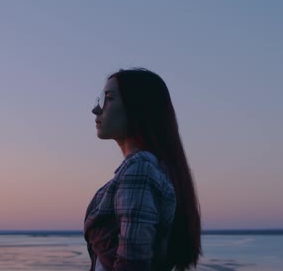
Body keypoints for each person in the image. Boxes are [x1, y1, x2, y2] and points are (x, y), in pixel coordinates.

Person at [84, 68, 202, 271]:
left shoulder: (139, 169)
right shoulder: (152, 168)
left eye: (109, 99)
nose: (97, 109)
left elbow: (133, 265)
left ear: (138, 108)